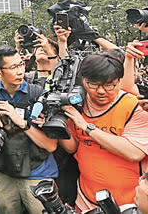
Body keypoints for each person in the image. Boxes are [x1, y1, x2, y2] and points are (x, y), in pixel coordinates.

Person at [59, 50, 148, 211]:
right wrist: (56, 124)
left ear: (119, 81)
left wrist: (86, 126)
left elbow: (134, 152)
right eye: (93, 84)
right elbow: (72, 147)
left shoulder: (135, 106)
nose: (100, 91)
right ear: (83, 81)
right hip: (86, 199)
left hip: (129, 203)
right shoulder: (77, 104)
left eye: (109, 85)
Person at [0, 45, 58, 214]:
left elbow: (51, 146)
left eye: (21, 65)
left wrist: (21, 122)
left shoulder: (38, 94)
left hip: (38, 172)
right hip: (4, 173)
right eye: (12, 67)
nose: (19, 72)